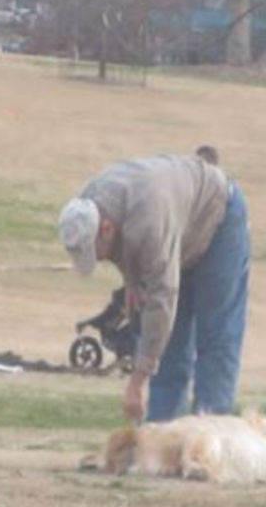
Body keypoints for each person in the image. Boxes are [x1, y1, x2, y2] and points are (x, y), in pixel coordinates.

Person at [58, 155, 250, 422]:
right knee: (168, 342)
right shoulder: (89, 202)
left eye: (94, 252)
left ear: (106, 227)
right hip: (176, 230)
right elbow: (118, 248)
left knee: (215, 337)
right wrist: (132, 280)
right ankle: (161, 440)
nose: (98, 260)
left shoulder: (148, 224)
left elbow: (163, 298)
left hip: (218, 220)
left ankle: (208, 442)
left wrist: (138, 382)